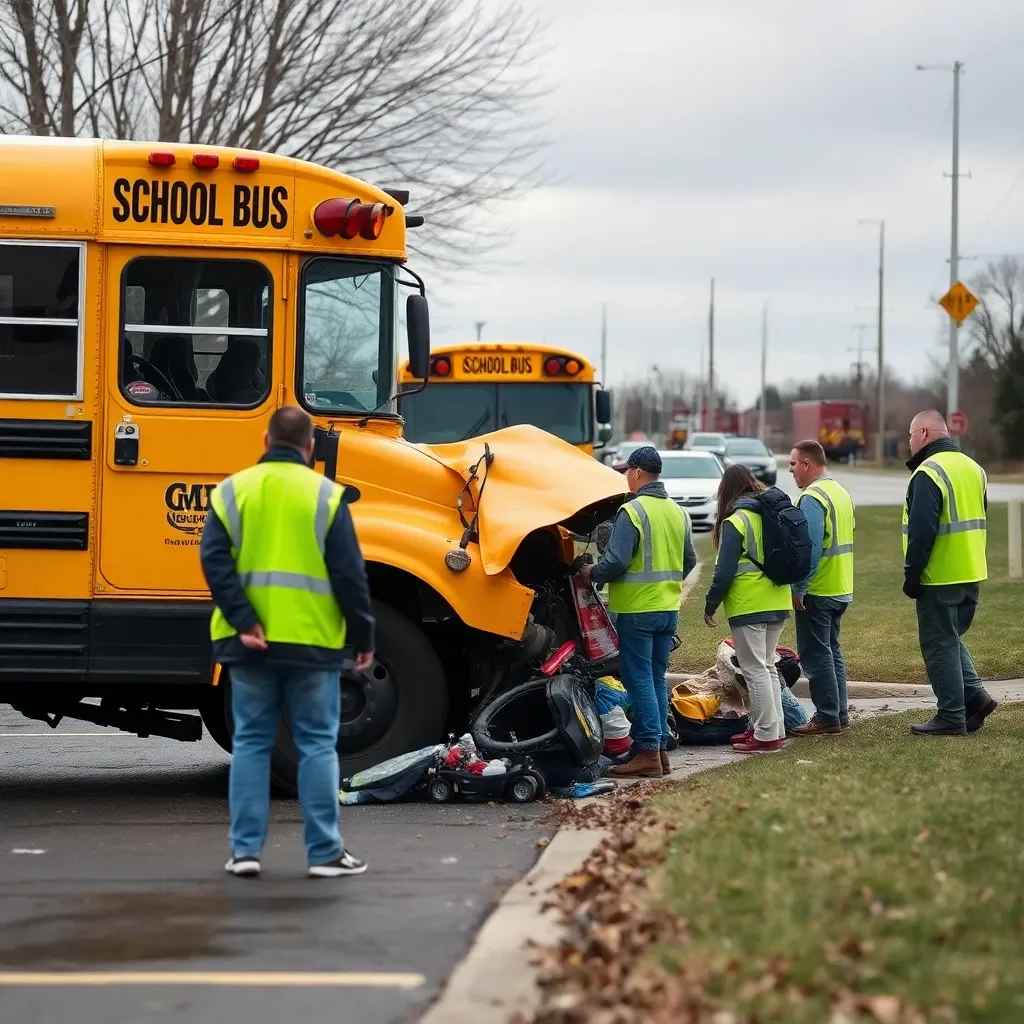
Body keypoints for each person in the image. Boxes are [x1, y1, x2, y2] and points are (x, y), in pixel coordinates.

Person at [200, 406, 375, 877]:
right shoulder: (326, 497)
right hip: (312, 643)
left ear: (265, 439)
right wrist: (363, 636)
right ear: (310, 447)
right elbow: (349, 575)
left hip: (248, 644)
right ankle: (324, 854)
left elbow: (214, 561)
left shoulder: (232, 493)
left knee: (253, 743)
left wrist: (244, 619)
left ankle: (245, 853)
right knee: (317, 744)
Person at [579, 446, 696, 778]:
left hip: (637, 609)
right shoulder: (677, 512)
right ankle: (658, 750)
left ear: (639, 473)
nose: (625, 478)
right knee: (656, 677)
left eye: (627, 471)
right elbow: (689, 560)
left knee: (637, 676)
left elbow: (615, 560)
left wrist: (593, 574)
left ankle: (646, 752)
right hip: (667, 608)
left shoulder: (633, 512)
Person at [903, 409, 997, 736]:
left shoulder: (929, 472)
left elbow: (922, 532)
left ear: (926, 434)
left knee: (938, 644)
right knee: (951, 638)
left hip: (939, 575)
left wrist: (912, 575)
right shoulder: (975, 469)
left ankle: (951, 716)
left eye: (911, 435)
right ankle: (976, 697)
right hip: (971, 571)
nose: (909, 442)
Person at [703, 465, 792, 753]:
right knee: (767, 667)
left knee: (755, 669)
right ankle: (772, 728)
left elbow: (724, 571)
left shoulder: (736, 521)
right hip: (778, 599)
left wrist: (710, 604)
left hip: (750, 604)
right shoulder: (769, 515)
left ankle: (766, 735)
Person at [787, 439, 855, 736]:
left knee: (816, 655)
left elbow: (810, 547)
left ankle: (827, 716)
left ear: (807, 464)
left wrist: (799, 587)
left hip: (819, 588)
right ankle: (839, 713)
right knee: (832, 652)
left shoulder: (812, 498)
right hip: (841, 585)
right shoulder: (840, 492)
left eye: (792, 464)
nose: (790, 471)